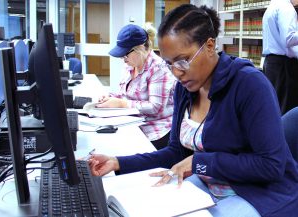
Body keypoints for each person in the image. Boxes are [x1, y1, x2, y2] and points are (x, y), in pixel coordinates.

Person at [89, 4, 298, 217]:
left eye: (183, 60)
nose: (176, 72)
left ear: (209, 46)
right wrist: (117, 162)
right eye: (169, 63)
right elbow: (176, 152)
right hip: (212, 184)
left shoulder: (250, 85)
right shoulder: (185, 88)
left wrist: (201, 162)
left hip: (260, 193)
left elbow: (271, 165)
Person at [96, 24, 176, 150]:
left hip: (157, 132)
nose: (123, 59)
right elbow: (125, 95)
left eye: (125, 54)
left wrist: (122, 104)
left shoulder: (158, 69)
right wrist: (111, 98)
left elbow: (156, 107)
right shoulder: (130, 65)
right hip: (134, 123)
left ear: (141, 48)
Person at [262, 0, 298, 115]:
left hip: (271, 63)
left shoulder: (273, 5)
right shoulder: (286, 8)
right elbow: (288, 38)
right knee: (287, 109)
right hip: (284, 66)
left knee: (275, 106)